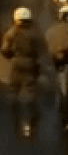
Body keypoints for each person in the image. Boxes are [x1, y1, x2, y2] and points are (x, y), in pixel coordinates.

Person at [1, 7, 47, 137]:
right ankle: (33, 118)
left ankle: (15, 120)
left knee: (13, 92)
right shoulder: (35, 33)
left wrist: (12, 56)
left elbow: (4, 50)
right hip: (30, 64)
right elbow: (42, 50)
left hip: (16, 64)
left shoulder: (11, 32)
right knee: (30, 93)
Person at [46, 5, 68, 129]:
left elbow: (48, 49)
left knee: (62, 92)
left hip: (57, 65)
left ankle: (65, 118)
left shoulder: (51, 31)